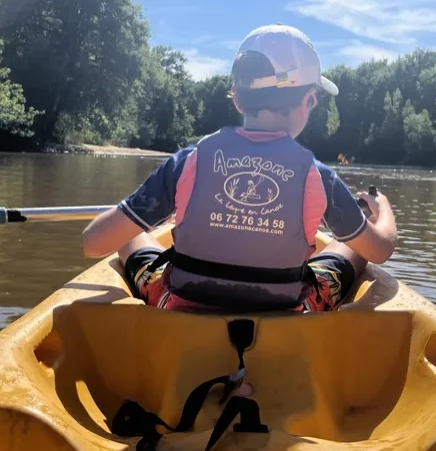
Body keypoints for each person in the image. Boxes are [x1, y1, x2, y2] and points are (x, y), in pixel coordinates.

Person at [82, 23, 397, 313]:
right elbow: (380, 249)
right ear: (310, 101)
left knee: (127, 234)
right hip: (285, 313)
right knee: (349, 246)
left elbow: (93, 242)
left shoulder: (187, 161)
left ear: (237, 100)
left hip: (180, 307)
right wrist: (382, 210)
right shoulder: (320, 177)